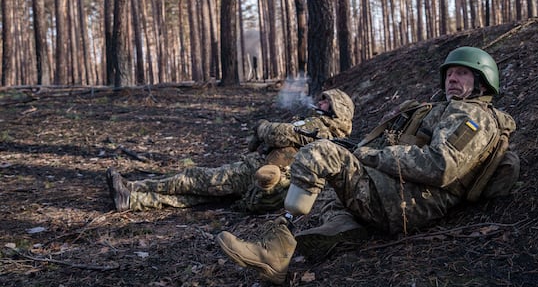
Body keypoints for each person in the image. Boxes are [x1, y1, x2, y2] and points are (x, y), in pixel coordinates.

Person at [217, 46, 520, 285]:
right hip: (400, 192)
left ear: (482, 82)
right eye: (449, 73)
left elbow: (440, 166)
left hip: (409, 202)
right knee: (331, 172)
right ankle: (344, 226)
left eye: (462, 74)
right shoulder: (445, 109)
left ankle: (275, 252)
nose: (452, 78)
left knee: (320, 154)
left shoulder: (473, 117)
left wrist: (372, 156)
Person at [106, 88, 355, 213]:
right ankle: (131, 198)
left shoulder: (319, 127)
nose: (320, 102)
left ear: (336, 110)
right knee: (198, 196)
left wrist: (262, 127)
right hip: (265, 180)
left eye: (326, 101)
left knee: (195, 179)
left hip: (258, 173)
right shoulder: (324, 131)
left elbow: (279, 134)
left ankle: (135, 189)